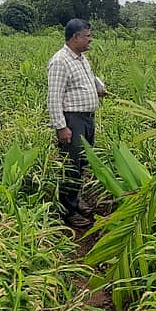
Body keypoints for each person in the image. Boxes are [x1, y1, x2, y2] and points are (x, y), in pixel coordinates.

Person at [47, 18, 106, 227]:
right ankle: (68, 211)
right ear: (75, 37)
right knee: (71, 166)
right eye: (87, 36)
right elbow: (53, 97)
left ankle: (76, 199)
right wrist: (61, 127)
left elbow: (90, 78)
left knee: (82, 163)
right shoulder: (60, 61)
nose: (91, 39)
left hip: (87, 118)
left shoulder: (80, 58)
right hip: (72, 119)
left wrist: (99, 88)